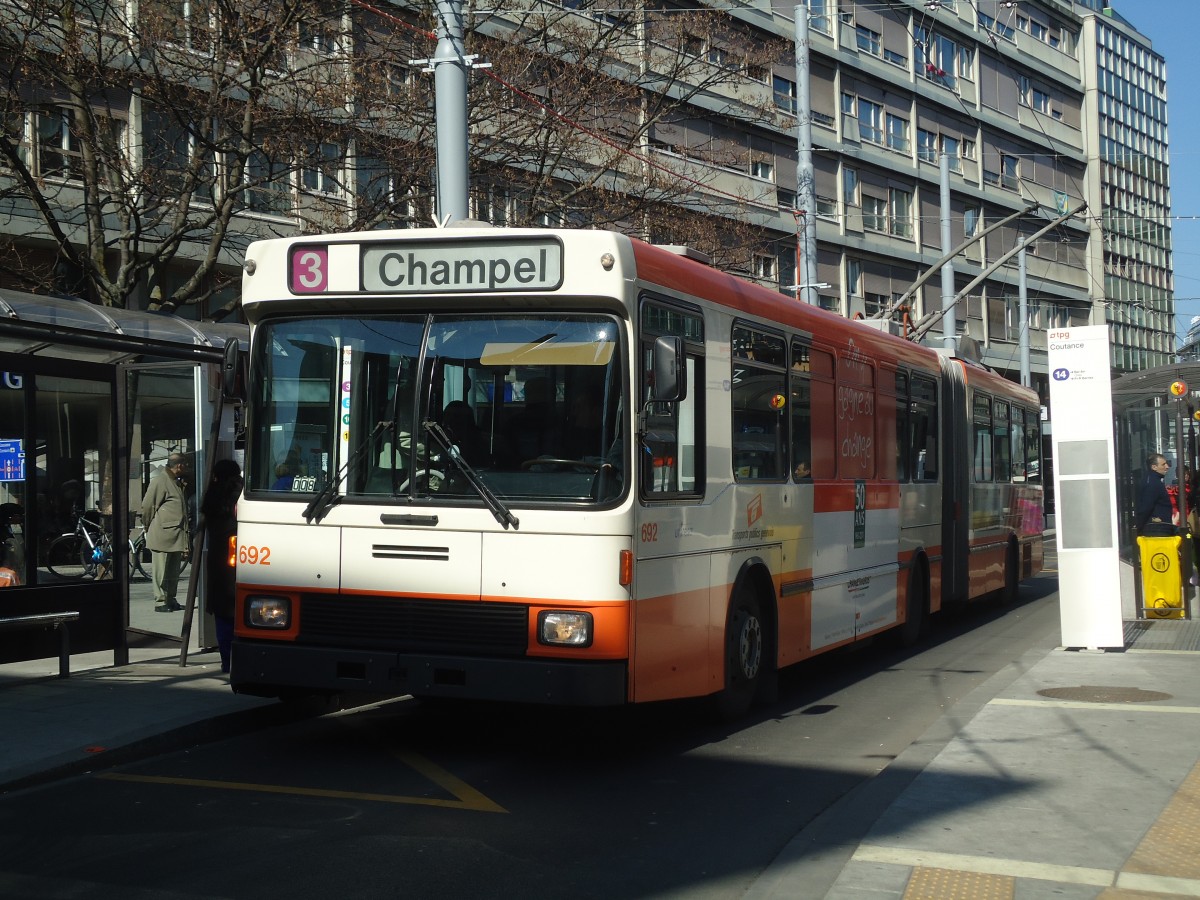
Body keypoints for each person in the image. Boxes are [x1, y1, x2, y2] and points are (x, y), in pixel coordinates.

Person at [201, 459, 241, 673]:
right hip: (242, 557)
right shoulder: (242, 495)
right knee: (240, 611)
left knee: (223, 614)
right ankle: (240, 660)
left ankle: (227, 661)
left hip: (218, 559)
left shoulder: (212, 496)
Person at [140, 452, 191, 612]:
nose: (187, 468)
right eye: (186, 465)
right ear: (179, 465)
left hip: (175, 533)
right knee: (161, 571)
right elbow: (148, 506)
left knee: (173, 570)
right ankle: (160, 601)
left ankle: (170, 598)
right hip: (163, 533)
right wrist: (147, 525)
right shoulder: (160, 480)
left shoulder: (175, 481)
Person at [1135, 452, 1175, 537]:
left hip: (1158, 527)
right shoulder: (1152, 483)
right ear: (1154, 467)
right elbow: (1146, 507)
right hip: (1156, 529)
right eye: (1163, 464)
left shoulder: (1152, 480)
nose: (1167, 467)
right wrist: (1139, 526)